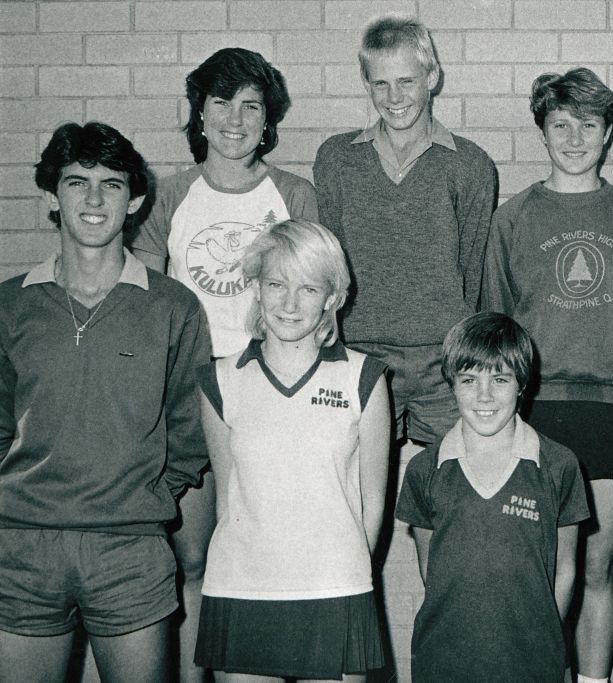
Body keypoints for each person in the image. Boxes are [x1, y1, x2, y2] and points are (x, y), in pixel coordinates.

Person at [130, 47, 318, 681]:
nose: (236, 120)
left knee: (275, 558)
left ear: (268, 121)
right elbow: (145, 308)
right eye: (221, 104)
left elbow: (318, 305)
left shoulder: (294, 193)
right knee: (193, 563)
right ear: (199, 114)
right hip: (189, 397)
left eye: (251, 106)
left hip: (272, 394)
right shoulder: (169, 195)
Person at [0, 121, 210, 682]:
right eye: (76, 182)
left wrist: (135, 502)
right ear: (51, 195)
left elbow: (189, 434)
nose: (94, 199)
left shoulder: (173, 307)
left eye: (112, 184)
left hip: (131, 552)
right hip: (22, 549)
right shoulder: (9, 305)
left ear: (136, 199)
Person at [480, 67, 613, 683]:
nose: (575, 137)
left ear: (608, 132)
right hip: (539, 409)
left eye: (589, 124)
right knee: (540, 566)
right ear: (543, 131)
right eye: (561, 124)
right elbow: (495, 322)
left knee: (597, 566)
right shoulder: (513, 220)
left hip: (612, 409)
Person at [194, 219, 390, 682]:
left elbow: (373, 502)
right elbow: (228, 498)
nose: (288, 303)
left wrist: (343, 578)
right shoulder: (221, 379)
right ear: (256, 289)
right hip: (242, 589)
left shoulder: (364, 377)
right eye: (275, 284)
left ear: (332, 297)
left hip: (334, 588)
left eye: (307, 288)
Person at [313, 16, 497, 445]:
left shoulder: (470, 164)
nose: (394, 97)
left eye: (406, 81)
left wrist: (455, 343)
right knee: (359, 495)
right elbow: (330, 263)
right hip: (361, 355)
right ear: (366, 82)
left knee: (455, 487)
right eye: (380, 84)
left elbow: (472, 265)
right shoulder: (337, 158)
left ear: (432, 77)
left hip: (444, 361)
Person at [395, 312, 589, 682]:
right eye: (470, 380)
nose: (484, 396)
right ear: (452, 384)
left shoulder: (558, 464)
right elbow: (431, 571)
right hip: (445, 659)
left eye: (499, 379)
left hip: (533, 661)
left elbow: (565, 571)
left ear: (521, 384)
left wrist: (541, 637)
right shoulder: (425, 468)